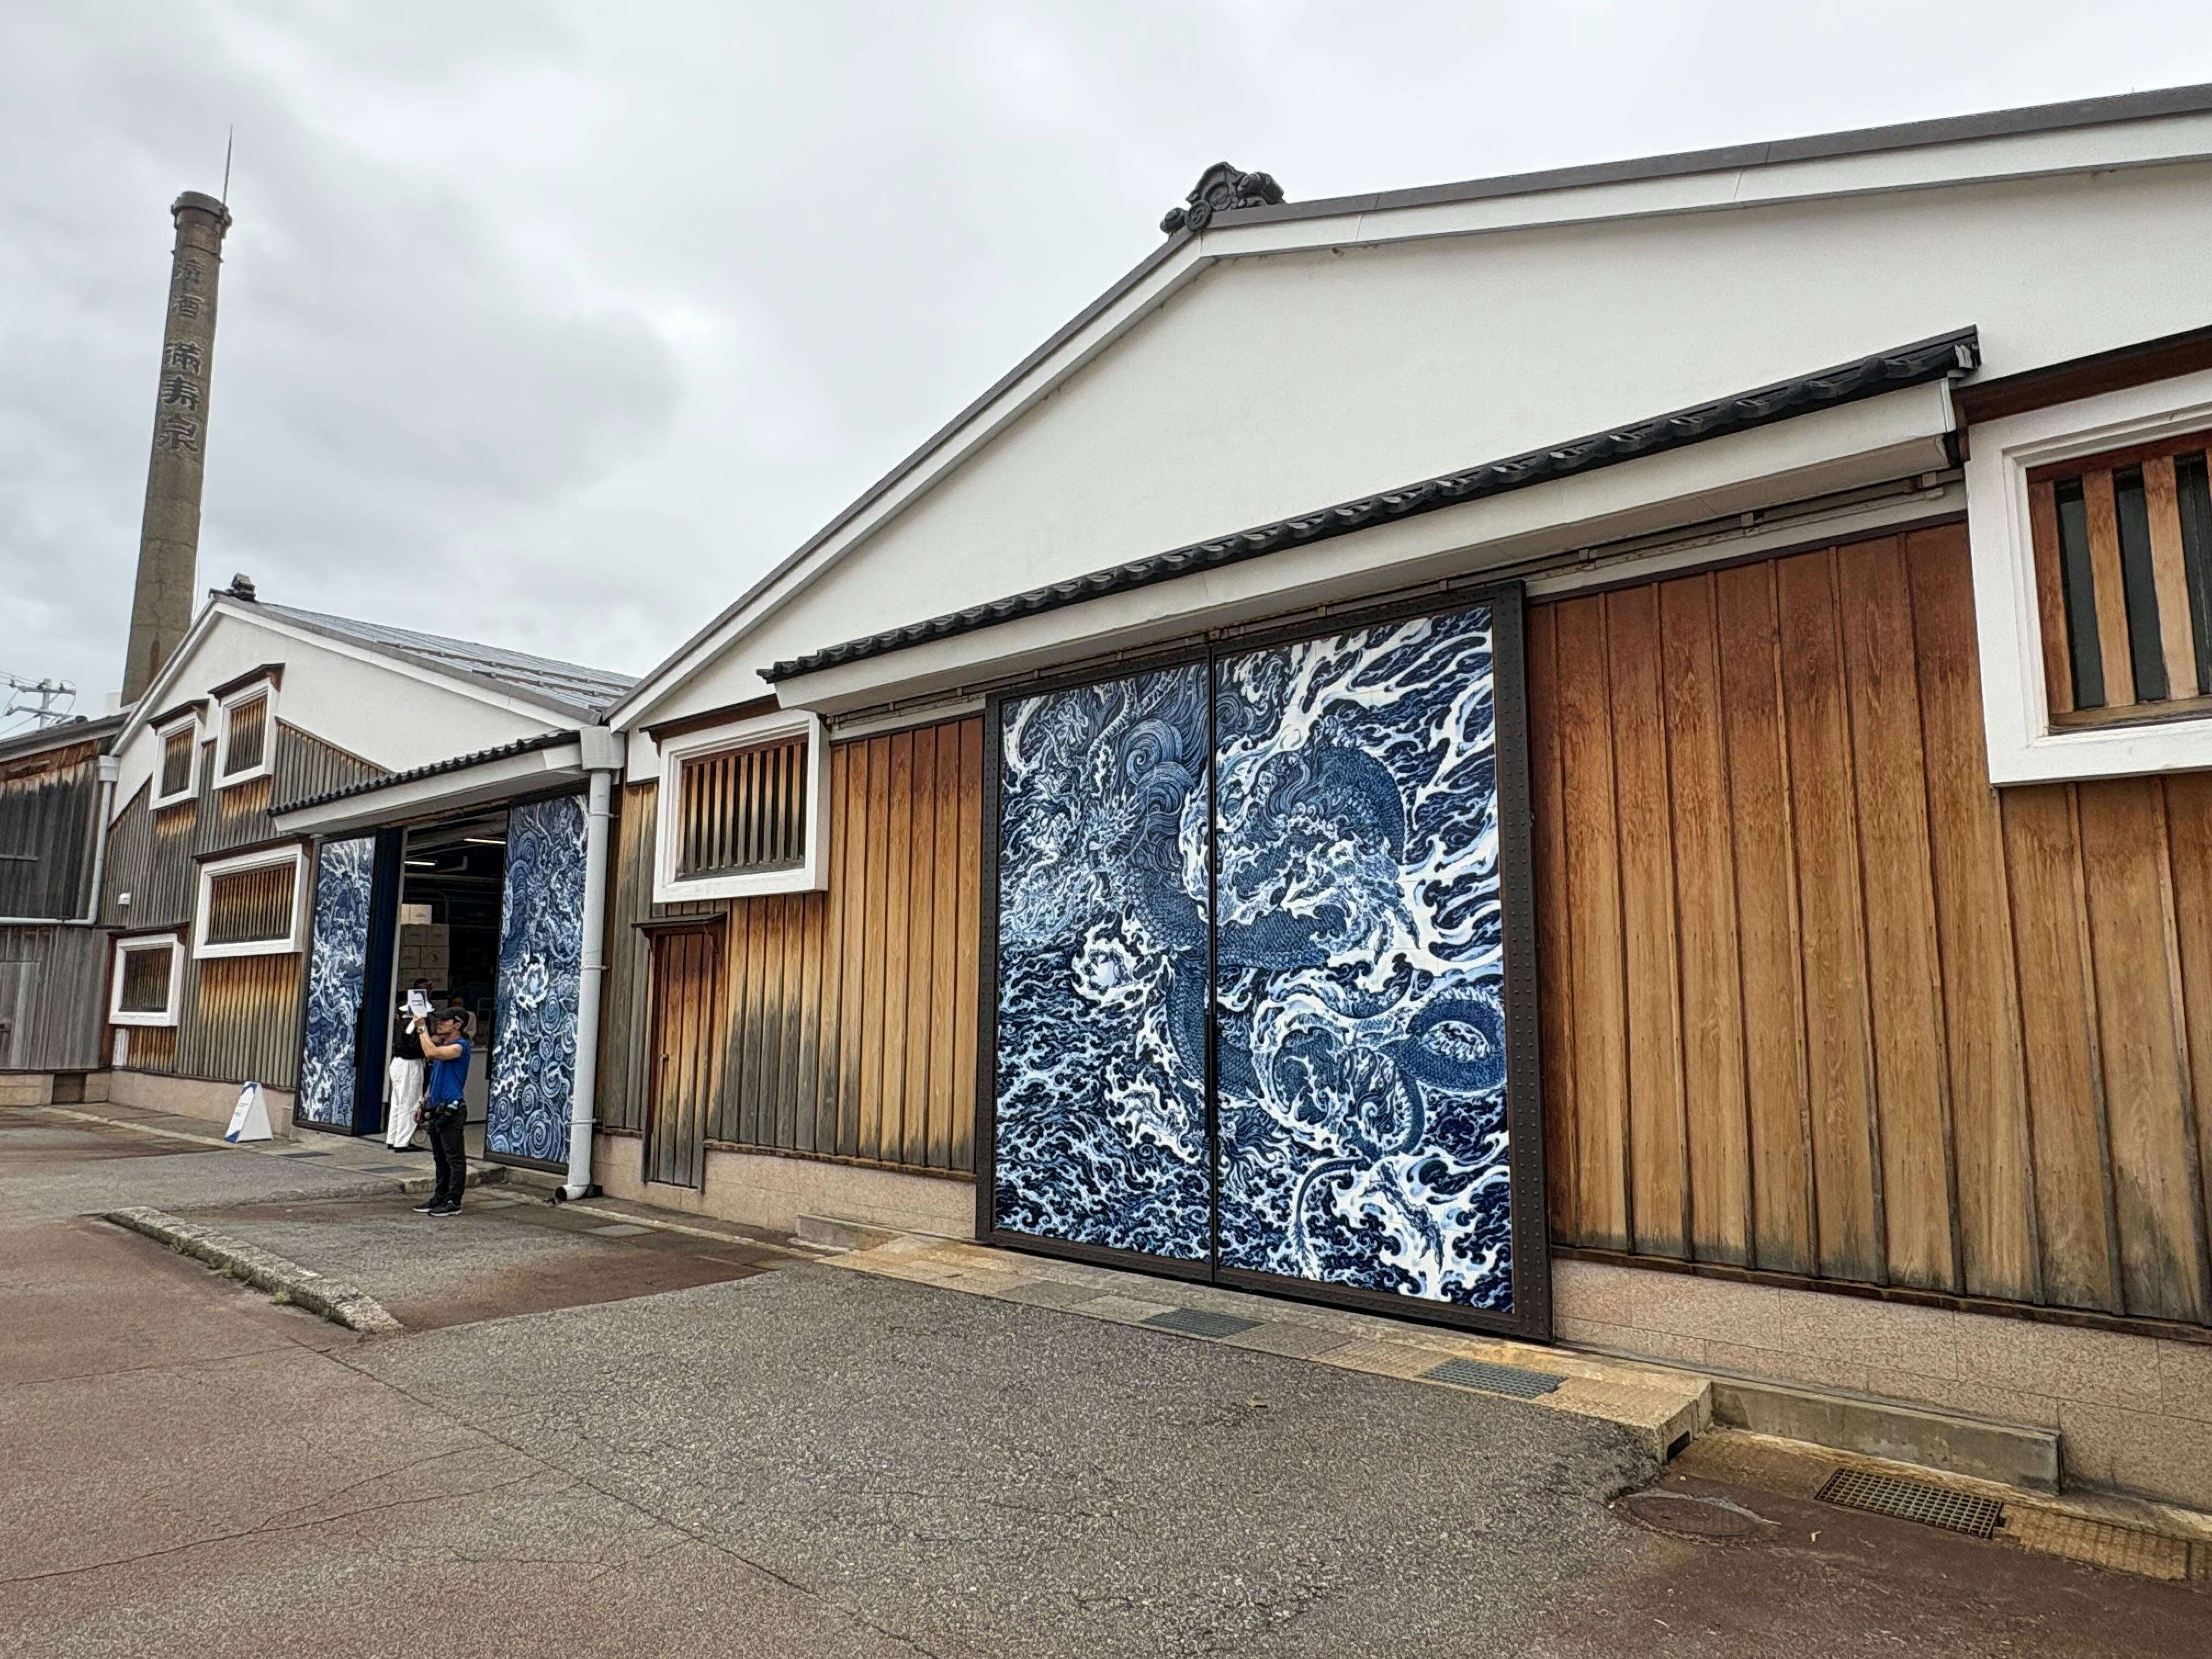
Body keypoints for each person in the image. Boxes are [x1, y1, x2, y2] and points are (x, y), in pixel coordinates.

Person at [411, 1007, 472, 1217]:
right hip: (437, 1107)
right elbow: (435, 1080)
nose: (439, 1024)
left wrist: (422, 1029)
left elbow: (431, 1053)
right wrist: (423, 1103)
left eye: (445, 1021)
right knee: (440, 1158)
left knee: (454, 1158)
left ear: (458, 1025)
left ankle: (454, 1201)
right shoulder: (444, 1046)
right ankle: (440, 1197)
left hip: (452, 1109)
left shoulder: (460, 1047)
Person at [386, 979, 433, 1152]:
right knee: (410, 1103)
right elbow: (415, 1042)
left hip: (398, 1063)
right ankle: (402, 1142)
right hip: (410, 1064)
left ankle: (393, 1138)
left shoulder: (404, 1016)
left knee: (398, 1102)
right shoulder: (419, 1017)